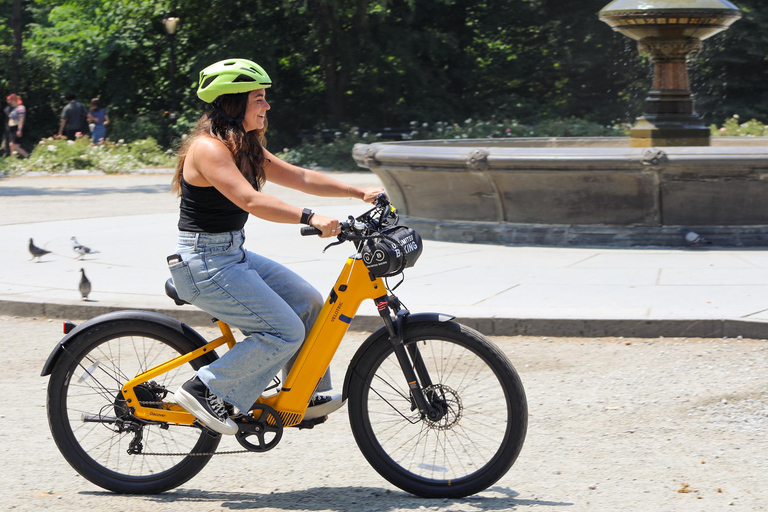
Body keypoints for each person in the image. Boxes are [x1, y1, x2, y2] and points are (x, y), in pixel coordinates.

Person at [170, 58, 385, 435]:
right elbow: (250, 201)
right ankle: (205, 389)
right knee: (284, 331)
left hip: (230, 255)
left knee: (309, 302)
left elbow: (299, 176)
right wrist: (310, 217)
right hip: (204, 263)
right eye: (258, 98)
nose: (266, 106)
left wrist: (358, 191)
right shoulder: (208, 149)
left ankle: (303, 396)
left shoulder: (243, 145)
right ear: (232, 102)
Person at [6, 94, 29, 158]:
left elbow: (21, 119)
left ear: (16, 100)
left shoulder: (21, 107)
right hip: (11, 128)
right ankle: (12, 160)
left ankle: (28, 156)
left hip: (16, 127)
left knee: (16, 147)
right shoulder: (14, 109)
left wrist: (19, 130)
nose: (10, 103)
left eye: (12, 101)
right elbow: (10, 116)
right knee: (11, 145)